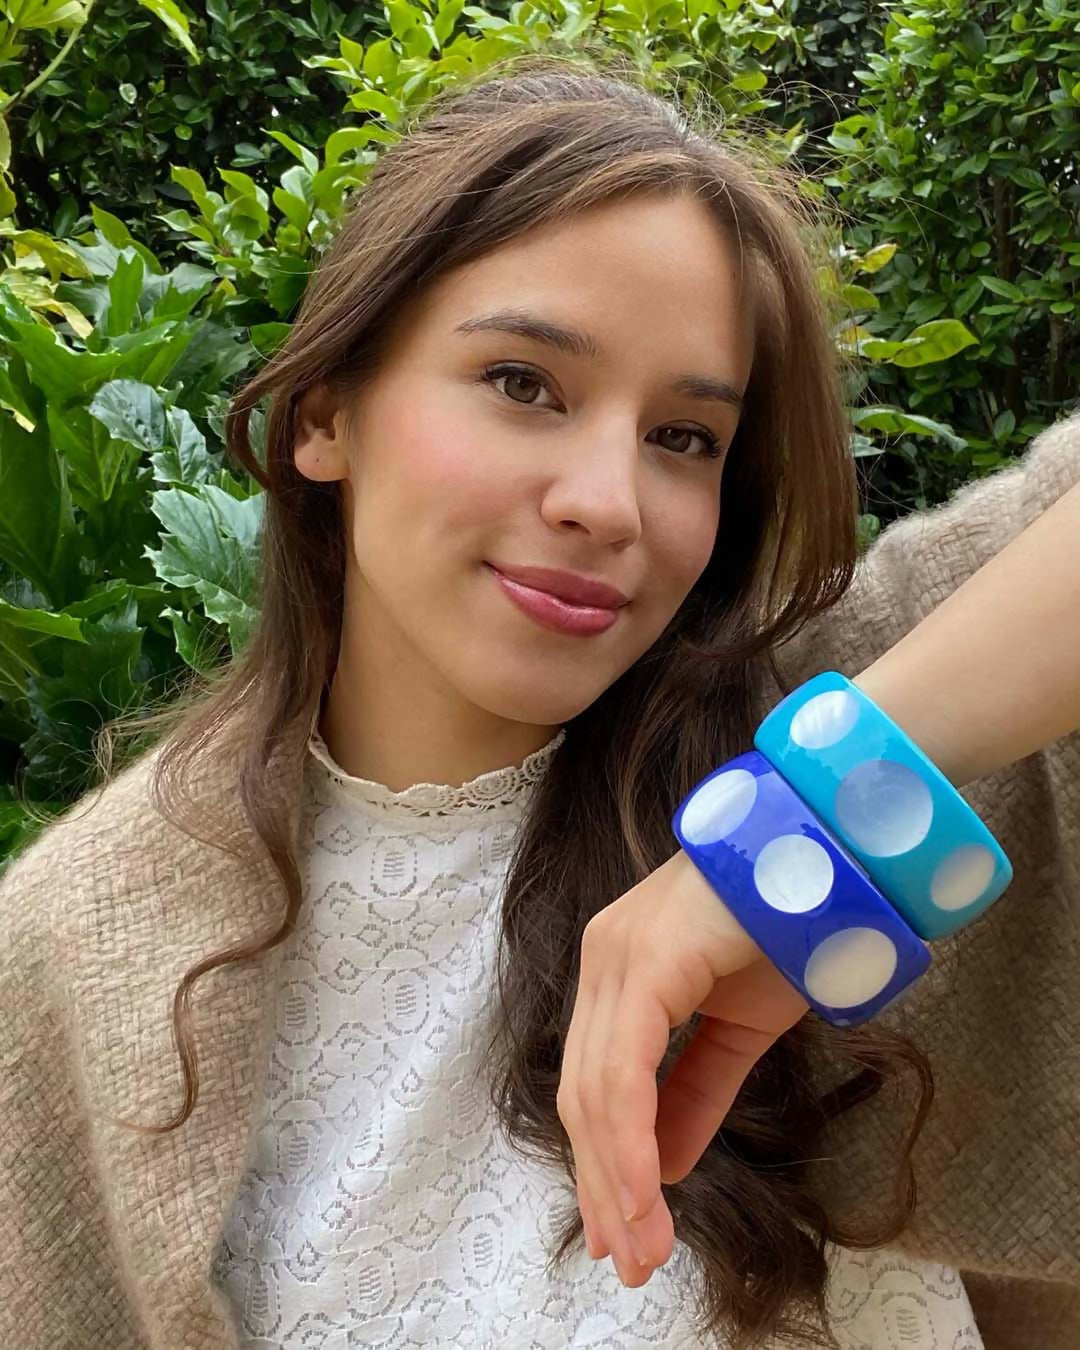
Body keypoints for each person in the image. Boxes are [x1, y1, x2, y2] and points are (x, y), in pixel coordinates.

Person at [1, 52, 1077, 1350]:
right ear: (326, 414)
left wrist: (798, 819)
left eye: (684, 436)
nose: (608, 502)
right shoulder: (87, 942)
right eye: (524, 383)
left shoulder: (836, 703)